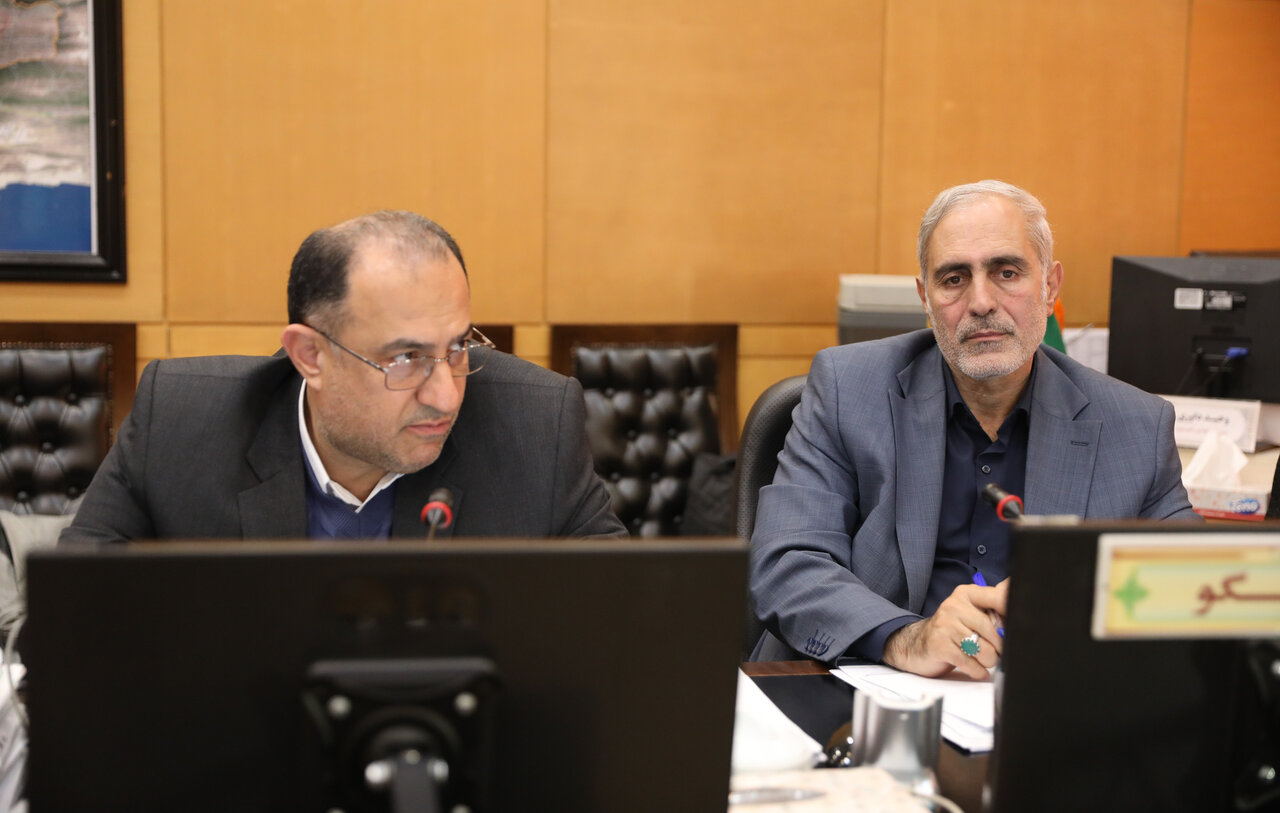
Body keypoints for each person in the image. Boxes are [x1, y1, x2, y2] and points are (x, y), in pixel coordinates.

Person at [749, 180, 1197, 678]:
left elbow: (1194, 583)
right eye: (954, 278)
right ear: (925, 297)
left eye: (1007, 272)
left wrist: (1079, 603)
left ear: (1050, 286)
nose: (981, 301)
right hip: (862, 685)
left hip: (1043, 696)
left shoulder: (1135, 426)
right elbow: (788, 562)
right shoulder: (846, 390)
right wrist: (905, 638)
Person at [62, 211, 626, 543]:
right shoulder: (180, 426)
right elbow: (66, 629)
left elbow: (622, 628)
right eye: (406, 357)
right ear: (310, 355)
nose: (445, 394)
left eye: (457, 348)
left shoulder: (537, 426)